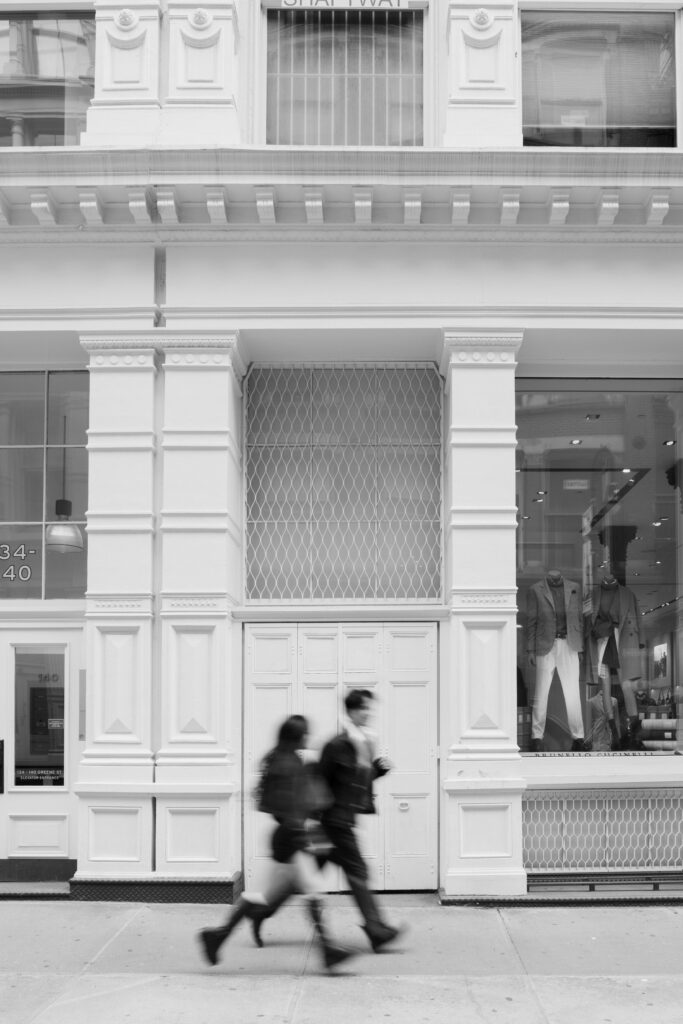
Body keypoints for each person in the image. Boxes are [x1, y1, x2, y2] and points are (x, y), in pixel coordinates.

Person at [197, 714, 356, 972]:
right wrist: (309, 829)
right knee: (312, 890)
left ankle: (218, 935)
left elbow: (272, 804)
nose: (307, 738)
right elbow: (299, 804)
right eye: (304, 734)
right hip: (292, 837)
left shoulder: (280, 760)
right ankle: (328, 950)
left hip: (287, 836)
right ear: (295, 736)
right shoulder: (288, 765)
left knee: (267, 894)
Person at [316, 689, 404, 953]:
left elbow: (354, 782)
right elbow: (321, 782)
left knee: (296, 879)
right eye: (363, 708)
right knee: (358, 872)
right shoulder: (337, 745)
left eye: (370, 708)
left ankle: (255, 913)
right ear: (351, 711)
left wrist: (377, 771)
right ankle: (376, 930)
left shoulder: (363, 741)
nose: (368, 712)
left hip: (341, 820)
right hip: (333, 823)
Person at [526, 570, 588, 752]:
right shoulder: (535, 590)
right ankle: (537, 736)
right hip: (545, 643)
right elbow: (531, 621)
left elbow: (579, 619)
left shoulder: (574, 588)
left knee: (573, 693)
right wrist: (531, 649)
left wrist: (580, 645)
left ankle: (578, 737)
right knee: (541, 693)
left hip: (569, 643)